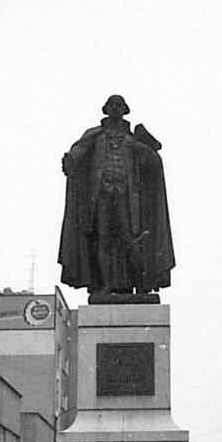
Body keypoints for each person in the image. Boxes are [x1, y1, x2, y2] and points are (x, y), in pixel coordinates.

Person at [58, 95, 175, 296]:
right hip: (101, 197)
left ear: (124, 109)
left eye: (118, 105)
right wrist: (70, 159)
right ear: (106, 109)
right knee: (102, 240)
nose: (115, 108)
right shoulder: (96, 136)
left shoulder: (133, 139)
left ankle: (141, 286)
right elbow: (80, 151)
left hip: (128, 198)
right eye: (112, 105)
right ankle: (104, 285)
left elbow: (154, 163)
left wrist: (142, 148)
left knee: (131, 240)